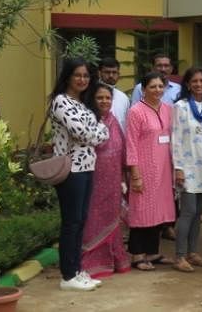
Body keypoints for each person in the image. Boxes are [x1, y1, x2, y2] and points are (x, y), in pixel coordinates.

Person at [49, 59, 109, 291]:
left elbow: (101, 132)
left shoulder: (82, 103)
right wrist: (96, 131)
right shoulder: (61, 102)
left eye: (86, 76)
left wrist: (95, 132)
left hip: (86, 167)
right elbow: (85, 134)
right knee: (71, 223)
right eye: (78, 75)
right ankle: (67, 275)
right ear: (68, 77)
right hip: (70, 170)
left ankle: (76, 270)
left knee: (80, 221)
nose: (82, 79)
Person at [125, 72, 177, 271]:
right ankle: (137, 255)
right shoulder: (136, 111)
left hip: (163, 169)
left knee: (159, 210)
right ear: (143, 89)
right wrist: (135, 174)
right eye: (153, 87)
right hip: (144, 169)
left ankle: (153, 252)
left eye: (160, 86)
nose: (157, 90)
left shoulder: (168, 109)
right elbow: (130, 144)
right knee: (142, 211)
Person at [80, 83, 131, 280]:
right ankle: (94, 260)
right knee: (94, 217)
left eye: (108, 98)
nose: (104, 101)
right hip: (94, 178)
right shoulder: (89, 121)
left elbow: (122, 149)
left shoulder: (114, 121)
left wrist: (125, 175)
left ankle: (115, 258)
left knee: (113, 217)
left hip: (114, 178)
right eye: (100, 98)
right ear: (93, 100)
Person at [170, 67, 202, 272]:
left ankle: (193, 252)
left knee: (198, 212)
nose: (199, 84)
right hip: (187, 166)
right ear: (188, 84)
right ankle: (179, 256)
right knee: (187, 211)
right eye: (194, 81)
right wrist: (178, 168)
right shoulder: (180, 107)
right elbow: (176, 139)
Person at [97, 57, 130, 132]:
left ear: (119, 74)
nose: (111, 75)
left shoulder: (123, 98)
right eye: (107, 72)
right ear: (99, 73)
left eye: (114, 72)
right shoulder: (90, 94)